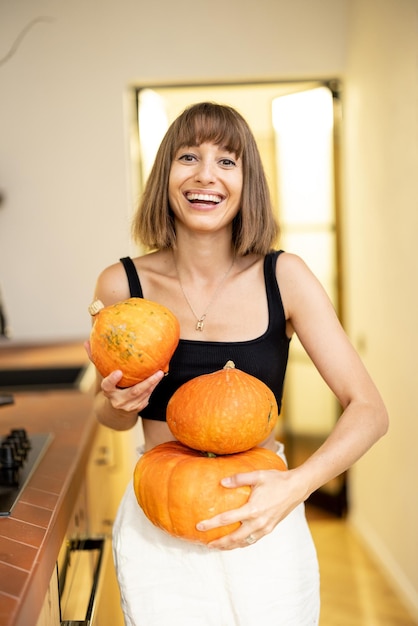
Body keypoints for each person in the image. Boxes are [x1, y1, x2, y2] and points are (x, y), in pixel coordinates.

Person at [87, 102, 388, 626]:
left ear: (248, 181)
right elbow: (112, 414)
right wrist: (115, 402)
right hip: (160, 522)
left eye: (227, 161)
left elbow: (369, 409)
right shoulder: (121, 285)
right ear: (165, 174)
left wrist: (298, 484)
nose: (206, 175)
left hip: (265, 518)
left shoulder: (285, 277)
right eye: (189, 157)